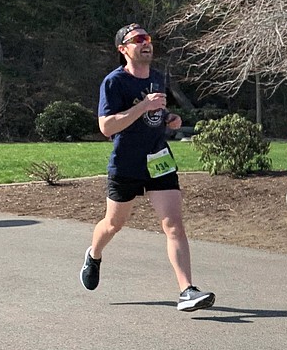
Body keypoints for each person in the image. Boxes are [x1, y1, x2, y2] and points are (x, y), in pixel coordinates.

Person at [80, 23, 214, 312]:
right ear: (123, 48)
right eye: (138, 40)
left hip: (158, 159)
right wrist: (143, 107)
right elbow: (106, 127)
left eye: (148, 39)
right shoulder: (114, 82)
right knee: (114, 224)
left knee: (173, 224)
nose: (146, 44)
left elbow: (156, 114)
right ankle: (94, 254)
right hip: (127, 163)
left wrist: (169, 118)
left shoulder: (157, 77)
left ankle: (187, 290)